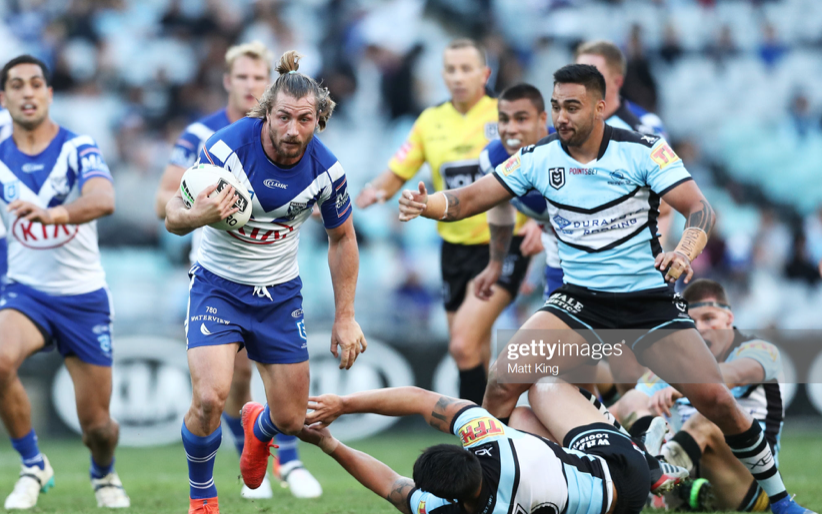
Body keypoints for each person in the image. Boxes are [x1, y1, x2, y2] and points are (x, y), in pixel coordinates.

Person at [397, 64, 815, 514]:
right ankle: (488, 488)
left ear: (600, 108)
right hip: (578, 304)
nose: (561, 116)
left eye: (571, 107)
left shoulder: (643, 151)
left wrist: (684, 252)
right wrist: (429, 204)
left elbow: (700, 209)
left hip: (647, 303)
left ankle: (780, 500)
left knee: (714, 399)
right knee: (501, 381)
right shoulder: (539, 157)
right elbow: (470, 199)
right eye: (556, 106)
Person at [164, 51, 366, 514]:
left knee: (293, 420)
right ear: (265, 112)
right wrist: (198, 216)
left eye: (305, 120)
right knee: (210, 397)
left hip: (279, 297)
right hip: (218, 287)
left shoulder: (327, 170)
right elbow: (175, 215)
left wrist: (346, 316)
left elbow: (343, 238)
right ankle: (202, 499)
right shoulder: (225, 149)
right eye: (283, 117)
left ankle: (258, 430)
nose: (293, 130)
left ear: (321, 119)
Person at [356, 38, 534, 404]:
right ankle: (494, 433)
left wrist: (540, 219)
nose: (458, 77)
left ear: (485, 73)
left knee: (462, 344)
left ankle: (473, 439)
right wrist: (371, 194)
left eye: (466, 68)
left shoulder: (505, 115)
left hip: (502, 244)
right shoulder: (430, 121)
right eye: (451, 69)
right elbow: (396, 172)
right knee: (474, 352)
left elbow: (539, 165)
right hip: (453, 248)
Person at [0, 55, 129, 509]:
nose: (27, 92)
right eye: (16, 85)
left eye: (36, 84)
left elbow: (104, 198)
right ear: (4, 97)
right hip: (25, 292)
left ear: (50, 94)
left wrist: (55, 213)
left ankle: (104, 472)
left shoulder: (78, 147)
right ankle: (33, 464)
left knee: (97, 426)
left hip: (83, 298)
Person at [299, 384, 656, 514]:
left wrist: (329, 444)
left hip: (609, 508)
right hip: (623, 475)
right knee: (545, 388)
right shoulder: (490, 441)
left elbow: (392, 487)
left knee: (521, 415)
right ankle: (643, 450)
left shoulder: (448, 509)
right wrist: (343, 405)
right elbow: (422, 400)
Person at [614, 279, 786, 512]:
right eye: (691, 322)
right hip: (693, 468)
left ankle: (644, 485)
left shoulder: (758, 349)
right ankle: (664, 484)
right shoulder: (674, 362)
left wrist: (682, 386)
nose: (700, 328)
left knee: (710, 414)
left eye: (709, 319)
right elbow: (624, 407)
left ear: (729, 319)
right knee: (633, 403)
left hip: (751, 482)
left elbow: (735, 373)